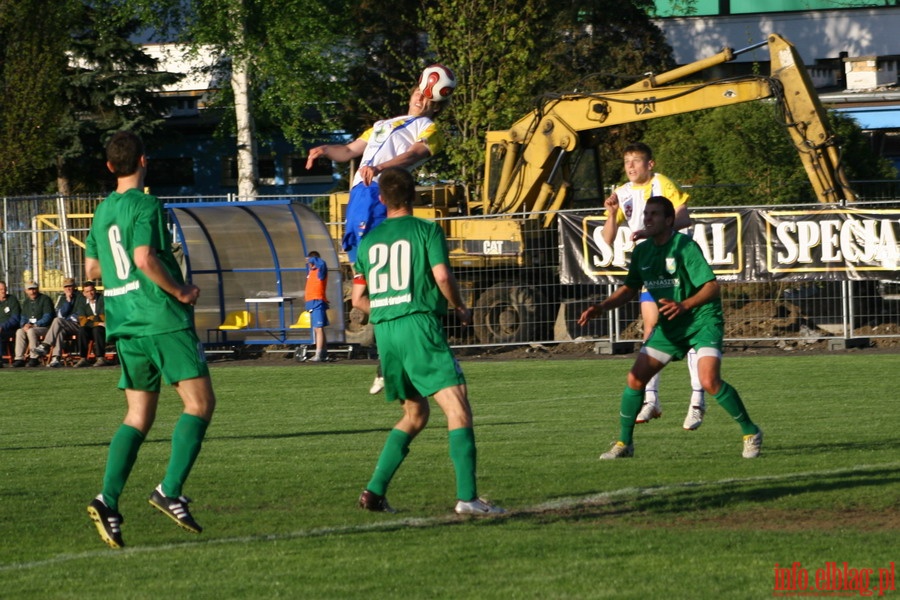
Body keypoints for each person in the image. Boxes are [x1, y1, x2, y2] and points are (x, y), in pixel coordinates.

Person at [84, 130, 217, 549]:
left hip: (125, 324)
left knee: (138, 416)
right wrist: (180, 291)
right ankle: (169, 490)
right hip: (160, 318)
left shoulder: (103, 211)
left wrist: (120, 274)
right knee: (199, 404)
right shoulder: (146, 204)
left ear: (109, 167)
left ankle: (108, 499)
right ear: (144, 161)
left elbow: (91, 270)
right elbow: (143, 258)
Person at [352, 167, 504, 515]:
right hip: (418, 325)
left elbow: (359, 299)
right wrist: (460, 307)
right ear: (415, 195)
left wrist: (389, 307)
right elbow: (441, 275)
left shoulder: (370, 241)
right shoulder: (426, 230)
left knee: (416, 413)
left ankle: (374, 492)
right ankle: (467, 498)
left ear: (381, 199)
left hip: (386, 332)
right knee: (458, 407)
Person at [579, 196, 763, 460]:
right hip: (671, 326)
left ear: (669, 221)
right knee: (635, 379)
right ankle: (624, 444)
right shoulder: (642, 251)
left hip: (702, 320)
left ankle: (751, 432)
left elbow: (712, 287)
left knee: (709, 381)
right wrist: (602, 306)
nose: (648, 219)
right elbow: (630, 288)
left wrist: (685, 305)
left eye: (654, 214)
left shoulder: (684, 246)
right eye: (646, 214)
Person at [306, 82, 453, 393]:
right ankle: (400, 339)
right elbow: (347, 152)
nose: (421, 95)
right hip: (359, 197)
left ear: (436, 104)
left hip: (378, 194)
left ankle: (396, 351)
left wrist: (380, 166)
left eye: (429, 94)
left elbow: (414, 154)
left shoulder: (429, 127)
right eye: (419, 89)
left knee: (378, 283)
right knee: (360, 298)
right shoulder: (381, 125)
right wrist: (323, 150)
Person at [602, 142, 706, 431]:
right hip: (651, 267)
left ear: (650, 164)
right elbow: (608, 238)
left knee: (689, 332)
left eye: (636, 161)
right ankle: (652, 399)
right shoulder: (622, 193)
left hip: (676, 262)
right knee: (651, 330)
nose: (631, 166)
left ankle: (697, 401)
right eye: (627, 162)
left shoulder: (662, 184)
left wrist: (654, 230)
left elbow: (683, 215)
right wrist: (611, 215)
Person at [34, 277, 82, 368]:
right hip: (65, 325)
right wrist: (67, 301)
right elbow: (59, 313)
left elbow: (80, 313)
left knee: (57, 321)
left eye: (70, 286)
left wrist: (66, 319)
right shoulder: (62, 298)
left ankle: (45, 345)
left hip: (77, 325)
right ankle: (56, 358)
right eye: (66, 287)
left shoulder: (80, 297)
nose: (68, 289)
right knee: (59, 331)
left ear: (74, 287)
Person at [12, 281, 54, 367]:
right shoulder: (26, 302)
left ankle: (34, 357)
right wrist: (24, 325)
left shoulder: (45, 299)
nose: (32, 291)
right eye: (30, 289)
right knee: (19, 331)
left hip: (44, 327)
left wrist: (34, 324)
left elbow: (48, 317)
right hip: (30, 326)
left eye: (34, 289)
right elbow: (23, 317)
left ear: (37, 289)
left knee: (31, 331)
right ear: (26, 291)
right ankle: (19, 358)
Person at [304, 250, 331, 362]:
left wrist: (312, 259)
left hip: (317, 302)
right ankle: (323, 353)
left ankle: (318, 355)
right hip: (313, 303)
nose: (309, 264)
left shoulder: (320, 270)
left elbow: (322, 263)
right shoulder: (311, 272)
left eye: (310, 261)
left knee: (318, 328)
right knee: (318, 329)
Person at [73, 280, 108, 368]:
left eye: (91, 290)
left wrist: (90, 318)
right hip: (92, 327)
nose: (90, 293)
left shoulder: (102, 299)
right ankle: (83, 358)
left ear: (95, 290)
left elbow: (103, 316)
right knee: (82, 329)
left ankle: (100, 358)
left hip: (103, 328)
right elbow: (82, 320)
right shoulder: (81, 302)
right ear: (84, 293)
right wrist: (97, 321)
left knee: (97, 329)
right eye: (87, 291)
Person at [0, 281, 21, 366]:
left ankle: (0, 360)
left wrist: (2, 326)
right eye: (1, 289)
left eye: (4, 289)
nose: (3, 291)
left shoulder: (12, 300)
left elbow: (15, 319)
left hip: (9, 329)